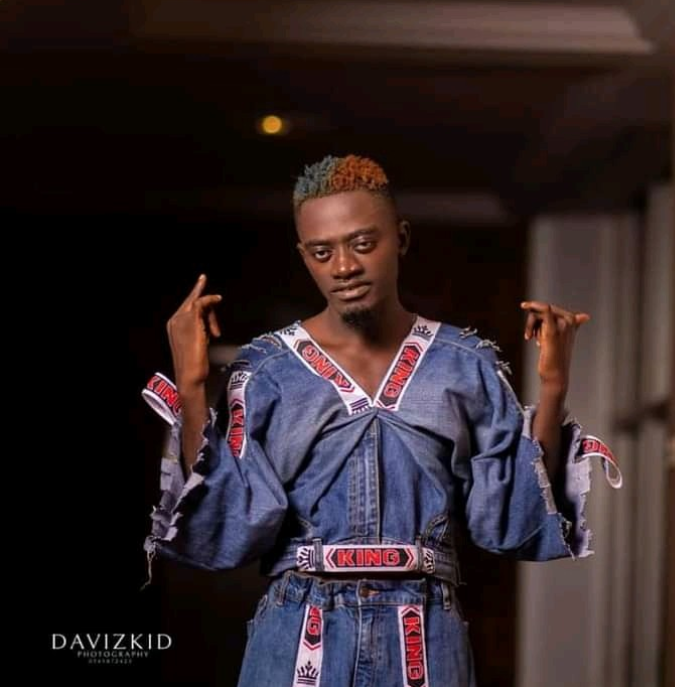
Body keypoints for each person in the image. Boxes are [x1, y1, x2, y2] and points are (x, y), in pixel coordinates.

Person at [140, 154, 622, 687]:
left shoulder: (465, 363)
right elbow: (226, 530)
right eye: (322, 252)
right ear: (304, 257)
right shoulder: (268, 370)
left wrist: (553, 388)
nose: (344, 267)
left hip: (426, 631)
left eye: (363, 243)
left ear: (402, 238)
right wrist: (190, 387)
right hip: (299, 625)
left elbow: (510, 523)